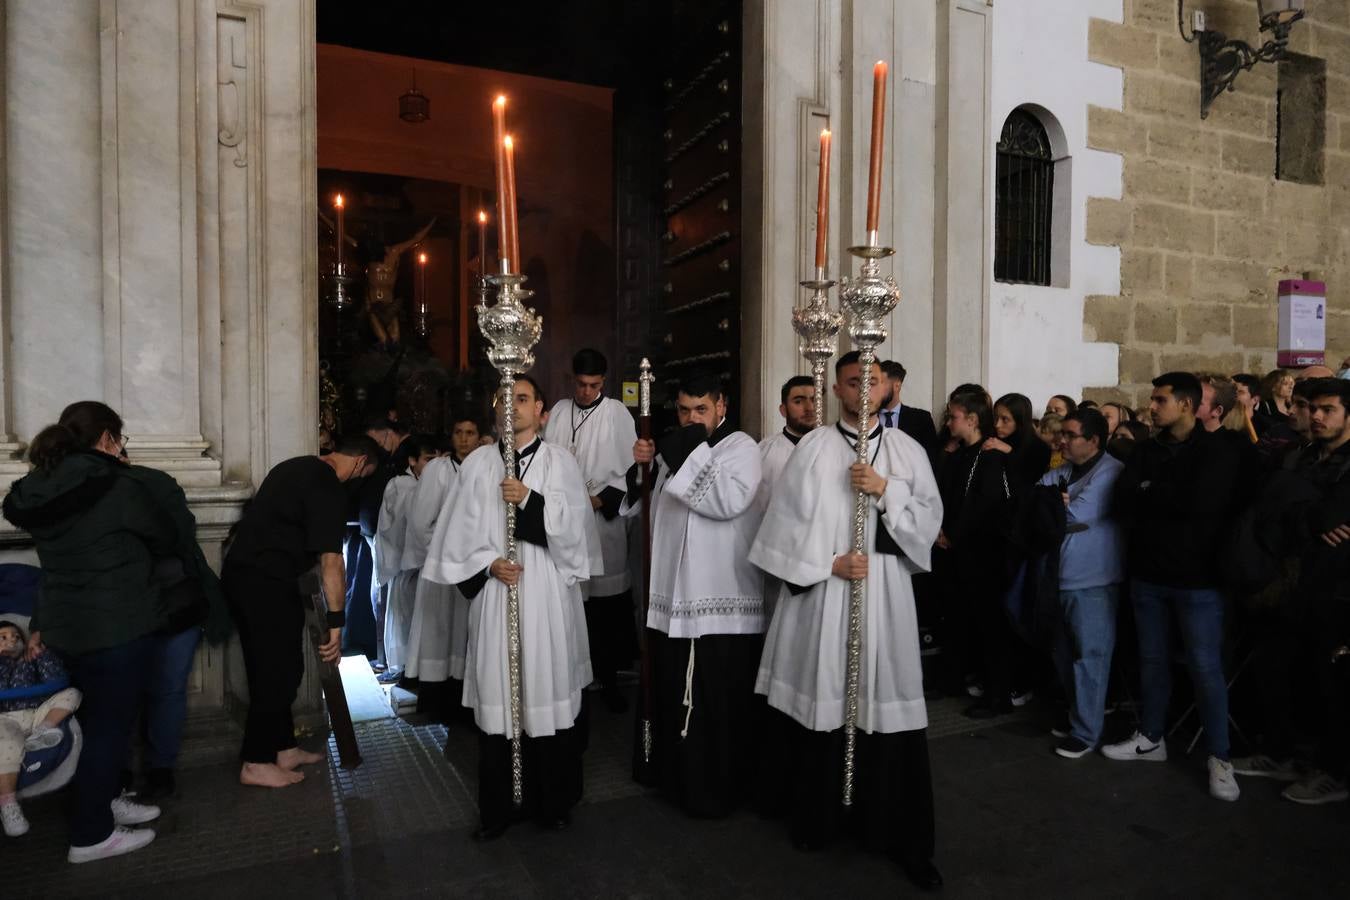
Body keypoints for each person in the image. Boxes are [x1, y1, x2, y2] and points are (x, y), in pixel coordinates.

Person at [750, 351, 944, 891]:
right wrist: (826, 563)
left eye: (873, 381)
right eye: (853, 381)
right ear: (835, 389)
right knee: (825, 701)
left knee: (885, 706)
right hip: (825, 598)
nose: (863, 390)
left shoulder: (906, 451)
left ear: (887, 390)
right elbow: (780, 529)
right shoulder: (812, 449)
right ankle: (819, 818)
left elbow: (929, 522)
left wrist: (886, 491)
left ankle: (895, 831)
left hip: (883, 594)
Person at [423, 375, 599, 839]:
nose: (512, 406)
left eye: (522, 399)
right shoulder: (478, 464)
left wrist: (529, 501)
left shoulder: (560, 462)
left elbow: (576, 534)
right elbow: (457, 537)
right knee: (502, 696)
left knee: (545, 690)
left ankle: (552, 802)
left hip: (543, 592)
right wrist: (487, 565)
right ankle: (499, 809)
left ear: (540, 408)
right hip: (497, 594)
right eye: (504, 398)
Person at [1, 401, 175, 861]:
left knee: (91, 724)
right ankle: (91, 834)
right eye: (120, 438)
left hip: (63, 624)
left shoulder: (38, 487)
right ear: (106, 438)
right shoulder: (119, 485)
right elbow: (164, 536)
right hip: (116, 624)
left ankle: (102, 799)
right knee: (108, 730)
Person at [627, 372, 765, 816]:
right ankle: (673, 777)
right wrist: (643, 468)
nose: (691, 419)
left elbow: (726, 502)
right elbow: (648, 504)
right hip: (673, 598)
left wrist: (679, 451)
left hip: (718, 598)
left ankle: (714, 789)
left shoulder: (742, 447)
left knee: (713, 702)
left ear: (721, 406)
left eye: (701, 409)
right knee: (671, 693)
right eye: (684, 410)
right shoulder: (678, 448)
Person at [1104, 372, 1242, 801]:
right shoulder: (1146, 449)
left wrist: (1153, 494)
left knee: (1205, 668)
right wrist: (1159, 494)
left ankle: (1220, 755)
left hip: (1198, 579)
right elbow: (1124, 501)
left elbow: (1200, 505)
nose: (1152, 406)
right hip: (1148, 574)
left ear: (1185, 404)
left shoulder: (1218, 450)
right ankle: (1151, 737)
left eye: (1160, 399)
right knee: (1152, 660)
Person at [223, 433, 379, 790]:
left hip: (254, 578)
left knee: (284, 666)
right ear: (359, 463)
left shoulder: (296, 466)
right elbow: (331, 563)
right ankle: (256, 760)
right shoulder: (328, 488)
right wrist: (337, 624)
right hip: (263, 584)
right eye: (364, 473)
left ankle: (283, 748)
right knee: (274, 672)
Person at [543, 349, 639, 713]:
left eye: (593, 385)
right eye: (581, 385)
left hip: (601, 522)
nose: (585, 392)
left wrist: (592, 504)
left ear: (604, 382)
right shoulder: (559, 412)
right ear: (573, 380)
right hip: (565, 523)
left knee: (606, 608)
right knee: (571, 603)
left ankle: (610, 679)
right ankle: (572, 678)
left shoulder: (615, 413)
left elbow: (630, 473)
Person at [1271, 378, 1350, 805]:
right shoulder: (1304, 458)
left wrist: (1309, 517)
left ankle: (1334, 772)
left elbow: (1335, 515)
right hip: (1301, 580)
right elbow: (1278, 511)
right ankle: (1300, 756)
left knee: (1334, 685)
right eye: (1312, 408)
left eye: (1328, 409)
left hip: (1339, 589)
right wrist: (1311, 521)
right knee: (1301, 677)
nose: (1317, 417)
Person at [1037, 409, 1125, 758]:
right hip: (1059, 575)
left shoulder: (1112, 473)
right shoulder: (1063, 471)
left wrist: (1052, 509)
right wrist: (1050, 508)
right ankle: (1077, 716)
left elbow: (1074, 514)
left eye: (1070, 435)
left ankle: (1087, 731)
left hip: (1094, 578)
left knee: (1090, 656)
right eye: (1062, 434)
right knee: (1063, 652)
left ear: (1093, 440)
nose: (1062, 441)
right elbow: (1034, 503)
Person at [936, 389, 1017, 715]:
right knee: (962, 620)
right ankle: (957, 678)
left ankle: (998, 697)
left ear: (971, 419)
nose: (948, 422)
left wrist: (953, 535)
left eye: (953, 417)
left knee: (989, 626)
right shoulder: (962, 453)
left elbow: (985, 505)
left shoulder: (990, 455)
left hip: (982, 555)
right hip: (960, 553)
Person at [399, 420, 475, 720]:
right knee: (438, 631)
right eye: (458, 432)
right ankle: (435, 702)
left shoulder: (485, 466)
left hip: (473, 567)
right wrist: (449, 550)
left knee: (464, 634)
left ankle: (463, 704)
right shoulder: (438, 470)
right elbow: (420, 522)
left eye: (470, 433)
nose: (464, 439)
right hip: (442, 564)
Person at [1, 619, 82, 837]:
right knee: (5, 740)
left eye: (16, 637)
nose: (12, 641)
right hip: (5, 718)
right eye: (4, 637)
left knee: (73, 694)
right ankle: (8, 805)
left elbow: (56, 678)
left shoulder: (30, 661)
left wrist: (40, 655)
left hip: (36, 712)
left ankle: (45, 730)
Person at [374, 436, 437, 682]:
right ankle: (403, 667)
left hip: (419, 562)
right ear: (412, 461)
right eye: (428, 460)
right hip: (406, 562)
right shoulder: (402, 485)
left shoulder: (421, 484)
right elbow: (403, 524)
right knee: (404, 616)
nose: (433, 466)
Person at [985, 393, 1051, 489]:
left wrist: (1009, 452)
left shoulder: (1039, 448)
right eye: (996, 417)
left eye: (1005, 419)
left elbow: (1027, 482)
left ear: (1020, 421)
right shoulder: (992, 439)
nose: (997, 425)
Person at [877, 361, 939, 454]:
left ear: (897, 386)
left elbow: (931, 459)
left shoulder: (921, 419)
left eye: (881, 383)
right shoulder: (865, 417)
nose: (876, 389)